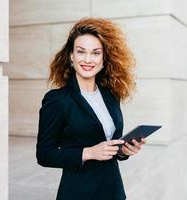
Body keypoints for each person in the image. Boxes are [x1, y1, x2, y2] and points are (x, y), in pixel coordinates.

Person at [36, 18, 146, 200]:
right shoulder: (57, 100)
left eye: (95, 53)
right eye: (81, 52)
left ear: (103, 58)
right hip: (80, 192)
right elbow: (44, 155)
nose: (88, 59)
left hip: (113, 190)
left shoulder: (111, 96)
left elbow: (109, 144)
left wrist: (123, 151)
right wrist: (89, 152)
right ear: (71, 56)